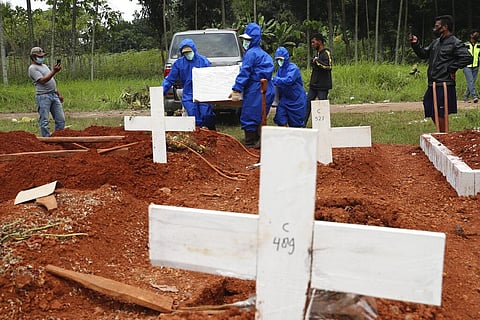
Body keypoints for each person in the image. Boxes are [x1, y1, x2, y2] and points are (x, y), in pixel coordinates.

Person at [409, 15, 472, 133]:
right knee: (429, 106)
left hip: (445, 83)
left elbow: (467, 58)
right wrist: (415, 44)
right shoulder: (436, 43)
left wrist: (452, 69)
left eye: (437, 26)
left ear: (445, 27)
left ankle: (444, 135)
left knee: (441, 110)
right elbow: (423, 54)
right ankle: (441, 132)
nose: (435, 28)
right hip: (433, 82)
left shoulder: (455, 43)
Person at [229, 22, 274, 148]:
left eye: (247, 39)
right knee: (261, 115)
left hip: (256, 88)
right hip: (266, 88)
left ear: (253, 40)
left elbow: (245, 73)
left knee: (250, 114)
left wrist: (237, 89)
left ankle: (250, 141)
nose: (245, 42)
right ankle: (259, 140)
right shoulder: (263, 54)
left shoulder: (251, 54)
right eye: (244, 39)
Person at [162, 38, 216, 130]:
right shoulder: (179, 64)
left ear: (194, 49)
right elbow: (169, 79)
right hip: (188, 94)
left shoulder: (203, 61)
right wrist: (161, 91)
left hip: (203, 92)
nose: (188, 54)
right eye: (185, 53)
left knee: (206, 114)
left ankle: (211, 132)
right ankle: (198, 133)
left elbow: (211, 77)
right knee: (193, 116)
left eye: (189, 52)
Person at [28, 47, 65, 137]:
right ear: (33, 57)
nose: (41, 57)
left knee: (61, 119)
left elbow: (51, 81)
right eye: (39, 56)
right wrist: (54, 71)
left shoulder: (44, 66)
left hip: (53, 95)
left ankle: (58, 138)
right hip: (43, 96)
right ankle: (46, 139)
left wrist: (58, 94)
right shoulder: (32, 68)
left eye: (42, 56)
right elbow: (43, 81)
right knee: (44, 120)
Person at [272, 46, 306, 127]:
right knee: (280, 118)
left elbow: (289, 80)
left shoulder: (293, 68)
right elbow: (278, 85)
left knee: (296, 124)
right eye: (277, 59)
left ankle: (295, 138)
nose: (279, 61)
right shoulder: (280, 70)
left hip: (296, 100)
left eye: (281, 59)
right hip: (285, 100)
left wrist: (275, 79)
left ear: (286, 58)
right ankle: (285, 136)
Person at [304, 33, 332, 127]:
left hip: (322, 86)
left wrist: (317, 62)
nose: (312, 44)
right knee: (307, 104)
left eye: (313, 42)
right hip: (313, 86)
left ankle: (324, 126)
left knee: (322, 107)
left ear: (319, 42)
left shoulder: (326, 53)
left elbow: (328, 66)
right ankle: (302, 125)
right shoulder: (318, 54)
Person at [463, 29, 480, 103]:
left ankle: (466, 97)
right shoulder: (466, 45)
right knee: (470, 81)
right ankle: (474, 96)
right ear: (471, 35)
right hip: (467, 66)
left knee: (472, 82)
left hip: (476, 66)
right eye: (475, 34)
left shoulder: (479, 45)